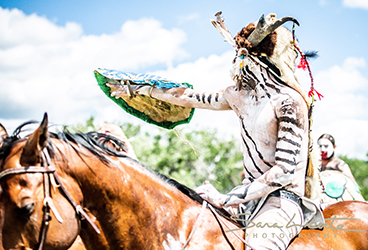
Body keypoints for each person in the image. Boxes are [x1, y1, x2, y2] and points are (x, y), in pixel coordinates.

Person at [108, 13, 323, 249]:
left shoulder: (289, 102)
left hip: (282, 204)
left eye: (242, 57)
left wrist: (225, 198)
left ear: (259, 59)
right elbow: (187, 97)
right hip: (247, 200)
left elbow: (283, 173)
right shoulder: (238, 95)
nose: (236, 64)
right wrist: (138, 89)